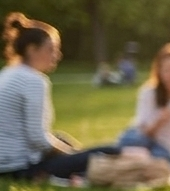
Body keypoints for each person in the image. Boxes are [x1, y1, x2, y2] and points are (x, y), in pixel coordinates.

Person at [0, 13, 116, 180]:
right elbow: (38, 139)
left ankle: (79, 165)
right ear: (31, 49)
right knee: (110, 151)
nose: (57, 55)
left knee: (60, 137)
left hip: (7, 165)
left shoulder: (7, 73)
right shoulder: (33, 80)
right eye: (51, 49)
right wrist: (71, 155)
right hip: (20, 168)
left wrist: (72, 154)